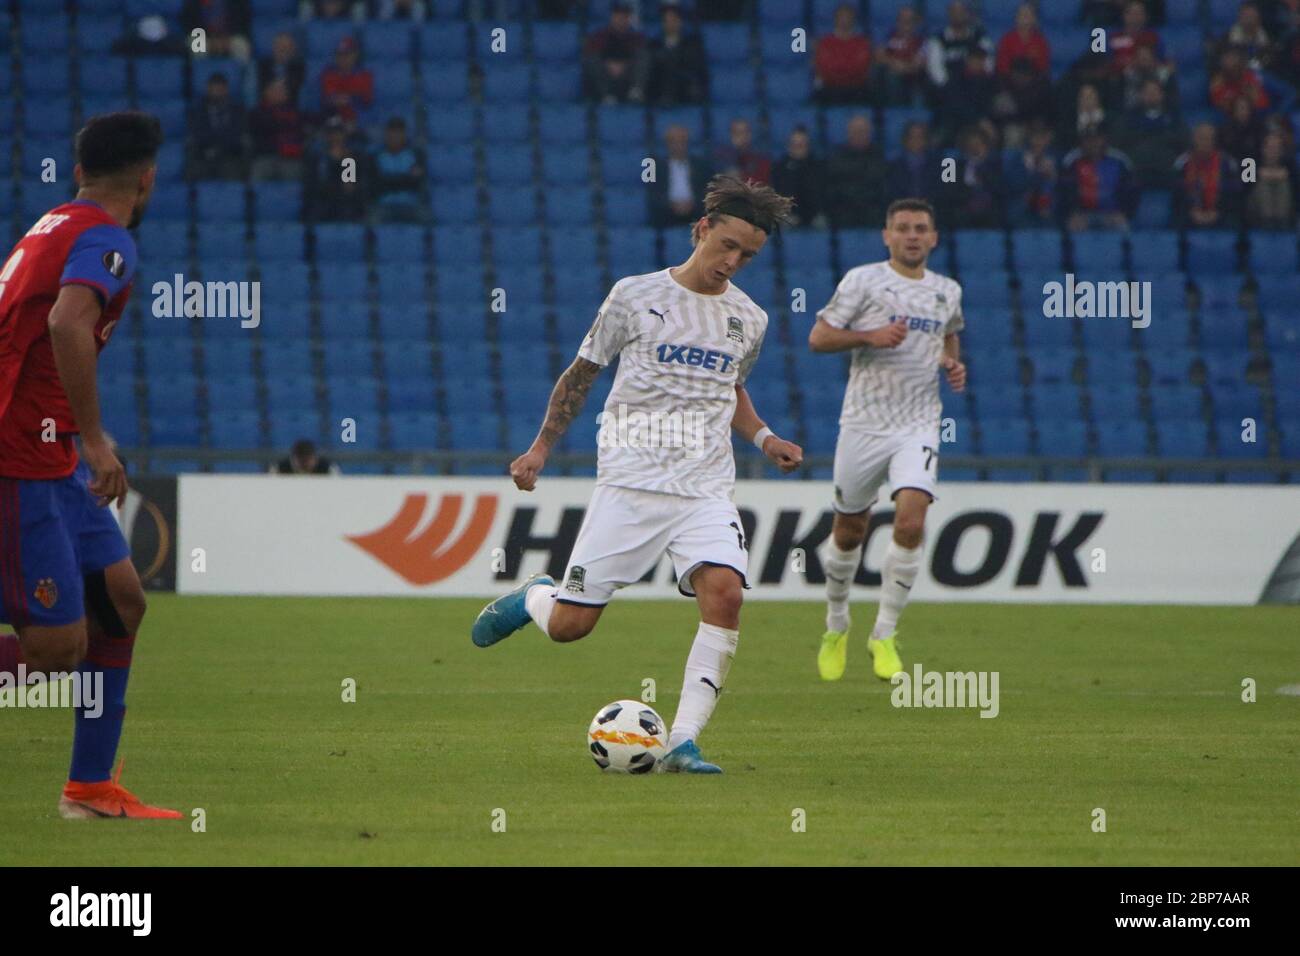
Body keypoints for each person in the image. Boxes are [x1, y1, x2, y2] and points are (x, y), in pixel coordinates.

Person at [470, 177, 803, 774]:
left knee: (725, 594)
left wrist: (764, 437)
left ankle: (683, 740)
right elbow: (582, 373)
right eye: (726, 245)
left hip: (704, 487)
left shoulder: (748, 319)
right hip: (630, 482)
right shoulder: (634, 295)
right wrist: (540, 448)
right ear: (701, 230)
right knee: (572, 627)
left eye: (747, 255)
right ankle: (536, 597)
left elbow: (732, 391)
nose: (733, 262)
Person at [0, 111, 180, 820]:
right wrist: (97, 438)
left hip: (52, 455)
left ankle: (89, 787)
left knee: (122, 602)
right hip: (21, 455)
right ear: (147, 177)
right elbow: (66, 322)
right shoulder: (108, 239)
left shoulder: (54, 222)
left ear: (78, 173)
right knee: (51, 650)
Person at [808, 198, 966, 683]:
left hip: (918, 422)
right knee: (849, 530)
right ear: (887, 236)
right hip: (863, 423)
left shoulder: (947, 291)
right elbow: (818, 337)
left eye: (921, 228)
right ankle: (837, 623)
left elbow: (949, 335)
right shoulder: (863, 280)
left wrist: (950, 362)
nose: (912, 235)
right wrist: (870, 336)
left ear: (934, 238)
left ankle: (884, 633)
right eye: (903, 228)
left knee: (912, 514)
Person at [824, 113, 888, 228]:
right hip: (844, 210)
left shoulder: (878, 156)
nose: (859, 135)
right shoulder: (837, 157)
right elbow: (833, 187)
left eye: (863, 131)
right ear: (848, 133)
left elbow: (879, 186)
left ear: (869, 134)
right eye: (855, 131)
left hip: (872, 211)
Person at [582, 2, 649, 104]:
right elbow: (590, 53)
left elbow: (640, 57)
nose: (621, 19)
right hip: (606, 78)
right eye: (618, 16)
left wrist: (624, 66)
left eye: (624, 16)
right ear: (612, 17)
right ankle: (607, 96)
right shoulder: (600, 35)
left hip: (627, 78)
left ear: (628, 19)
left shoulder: (636, 37)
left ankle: (636, 92)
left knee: (644, 56)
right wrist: (608, 65)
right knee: (591, 60)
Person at [648, 124, 711, 228]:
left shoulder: (701, 165)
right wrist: (671, 204)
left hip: (695, 212)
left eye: (682, 141)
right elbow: (652, 194)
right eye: (674, 142)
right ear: (667, 144)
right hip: (666, 214)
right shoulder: (654, 166)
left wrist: (693, 203)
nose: (678, 145)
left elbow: (706, 191)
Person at [648, 2, 708, 106]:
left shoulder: (692, 42)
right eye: (666, 21)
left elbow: (695, 64)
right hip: (661, 89)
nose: (670, 23)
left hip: (685, 86)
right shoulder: (654, 44)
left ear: (680, 22)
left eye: (673, 20)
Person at [814, 4, 873, 104]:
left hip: (857, 88)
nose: (845, 20)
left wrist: (839, 65)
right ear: (835, 19)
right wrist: (848, 66)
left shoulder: (862, 43)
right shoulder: (825, 42)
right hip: (831, 88)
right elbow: (825, 68)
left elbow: (861, 67)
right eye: (841, 17)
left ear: (854, 19)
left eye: (848, 17)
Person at [771, 126, 824, 227]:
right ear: (789, 146)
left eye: (801, 145)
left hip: (814, 214)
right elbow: (778, 193)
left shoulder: (818, 166)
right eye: (795, 145)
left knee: (821, 222)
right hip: (789, 214)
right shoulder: (780, 167)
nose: (798, 148)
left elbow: (820, 194)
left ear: (808, 146)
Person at [713, 118, 770, 185]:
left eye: (746, 132)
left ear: (751, 134)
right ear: (730, 135)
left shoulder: (762, 160)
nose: (742, 136)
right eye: (737, 133)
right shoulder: (720, 157)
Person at [271, 439, 340, 474]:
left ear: (314, 458)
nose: (305, 464)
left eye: (308, 460)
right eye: (301, 460)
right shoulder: (280, 469)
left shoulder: (327, 469)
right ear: (294, 458)